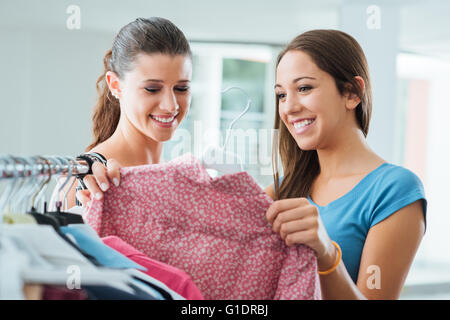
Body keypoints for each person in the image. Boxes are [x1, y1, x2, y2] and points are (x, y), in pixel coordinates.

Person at [264, 29, 426, 299]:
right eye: (281, 94)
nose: (288, 108)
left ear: (352, 92)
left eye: (304, 88)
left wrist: (326, 253)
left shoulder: (395, 190)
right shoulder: (281, 190)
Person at [64, 17, 193, 208]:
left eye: (181, 89)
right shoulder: (85, 180)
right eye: (152, 89)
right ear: (116, 86)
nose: (170, 105)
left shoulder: (176, 176)